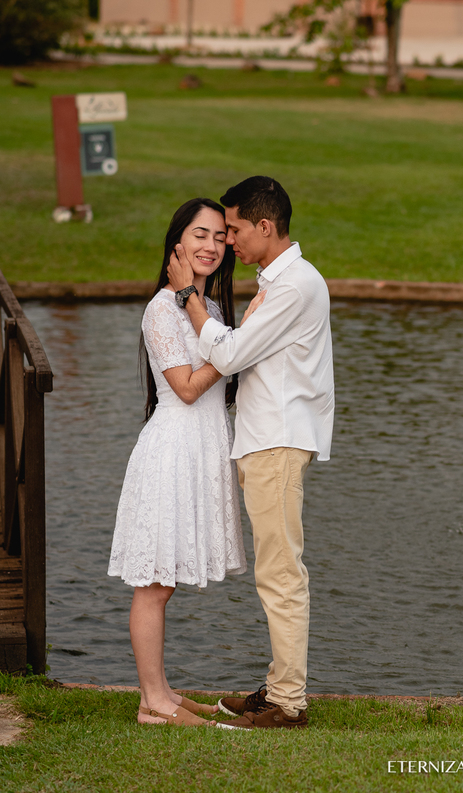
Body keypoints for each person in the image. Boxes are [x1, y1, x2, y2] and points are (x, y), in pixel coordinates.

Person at [168, 176, 334, 730]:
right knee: (276, 568)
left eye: (234, 229)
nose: (228, 241)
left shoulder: (294, 286)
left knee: (281, 572)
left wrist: (189, 299)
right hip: (268, 439)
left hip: (277, 441)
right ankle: (279, 688)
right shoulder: (281, 281)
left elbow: (233, 353)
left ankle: (288, 703)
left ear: (265, 227)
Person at [109, 198, 252, 727]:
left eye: (219, 237)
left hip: (200, 451)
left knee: (163, 581)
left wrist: (229, 339)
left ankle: (159, 693)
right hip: (171, 452)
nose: (211, 246)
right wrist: (232, 350)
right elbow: (188, 389)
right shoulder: (163, 308)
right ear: (176, 244)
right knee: (155, 582)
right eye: (199, 235)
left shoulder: (206, 309)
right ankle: (155, 703)